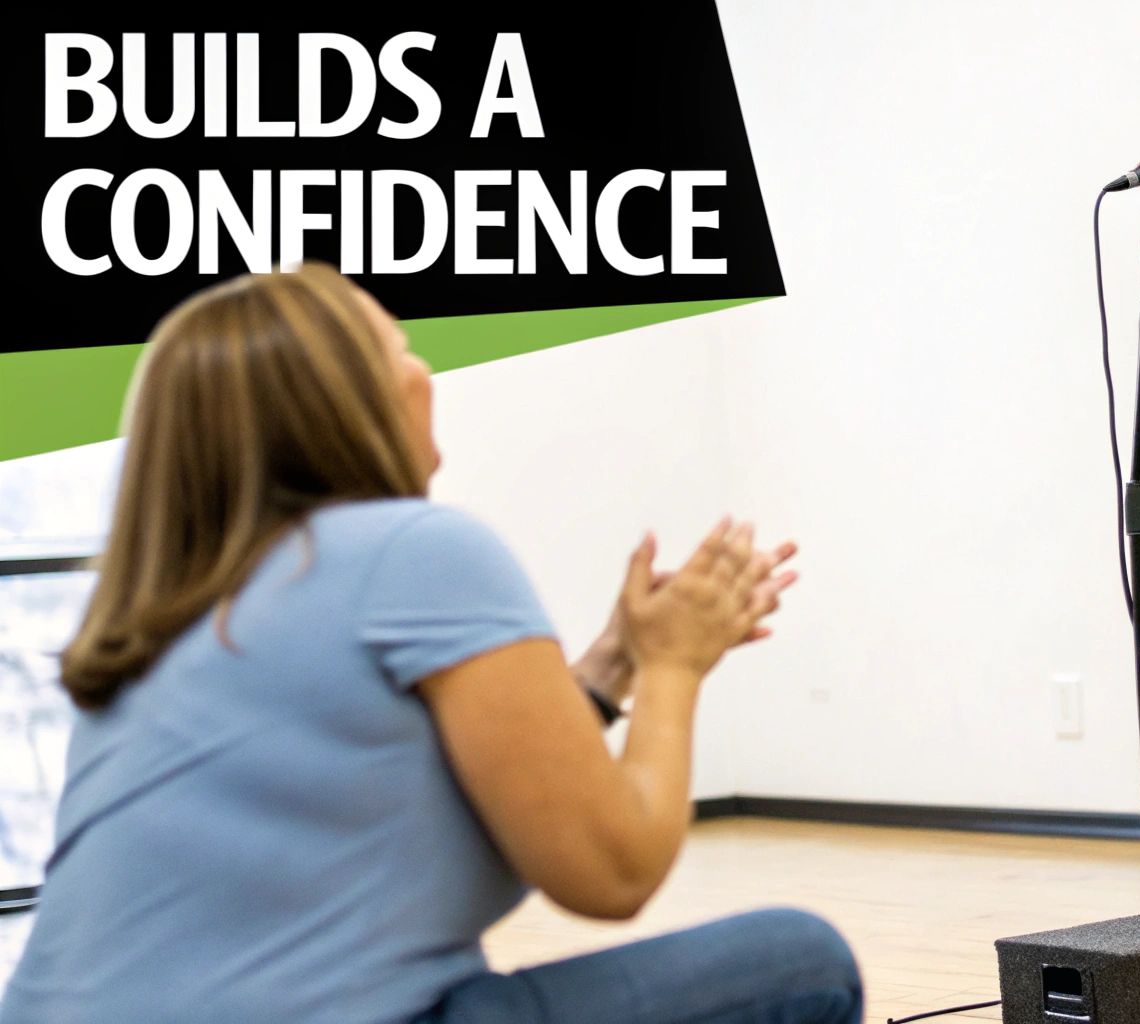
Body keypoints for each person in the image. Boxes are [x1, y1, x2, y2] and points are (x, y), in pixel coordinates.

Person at [0, 262, 863, 1023]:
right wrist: (676, 665)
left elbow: (448, 781)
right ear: (348, 402)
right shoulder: (417, 549)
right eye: (401, 347)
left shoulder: (166, 618)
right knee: (801, 963)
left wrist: (616, 662)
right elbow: (613, 870)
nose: (424, 370)